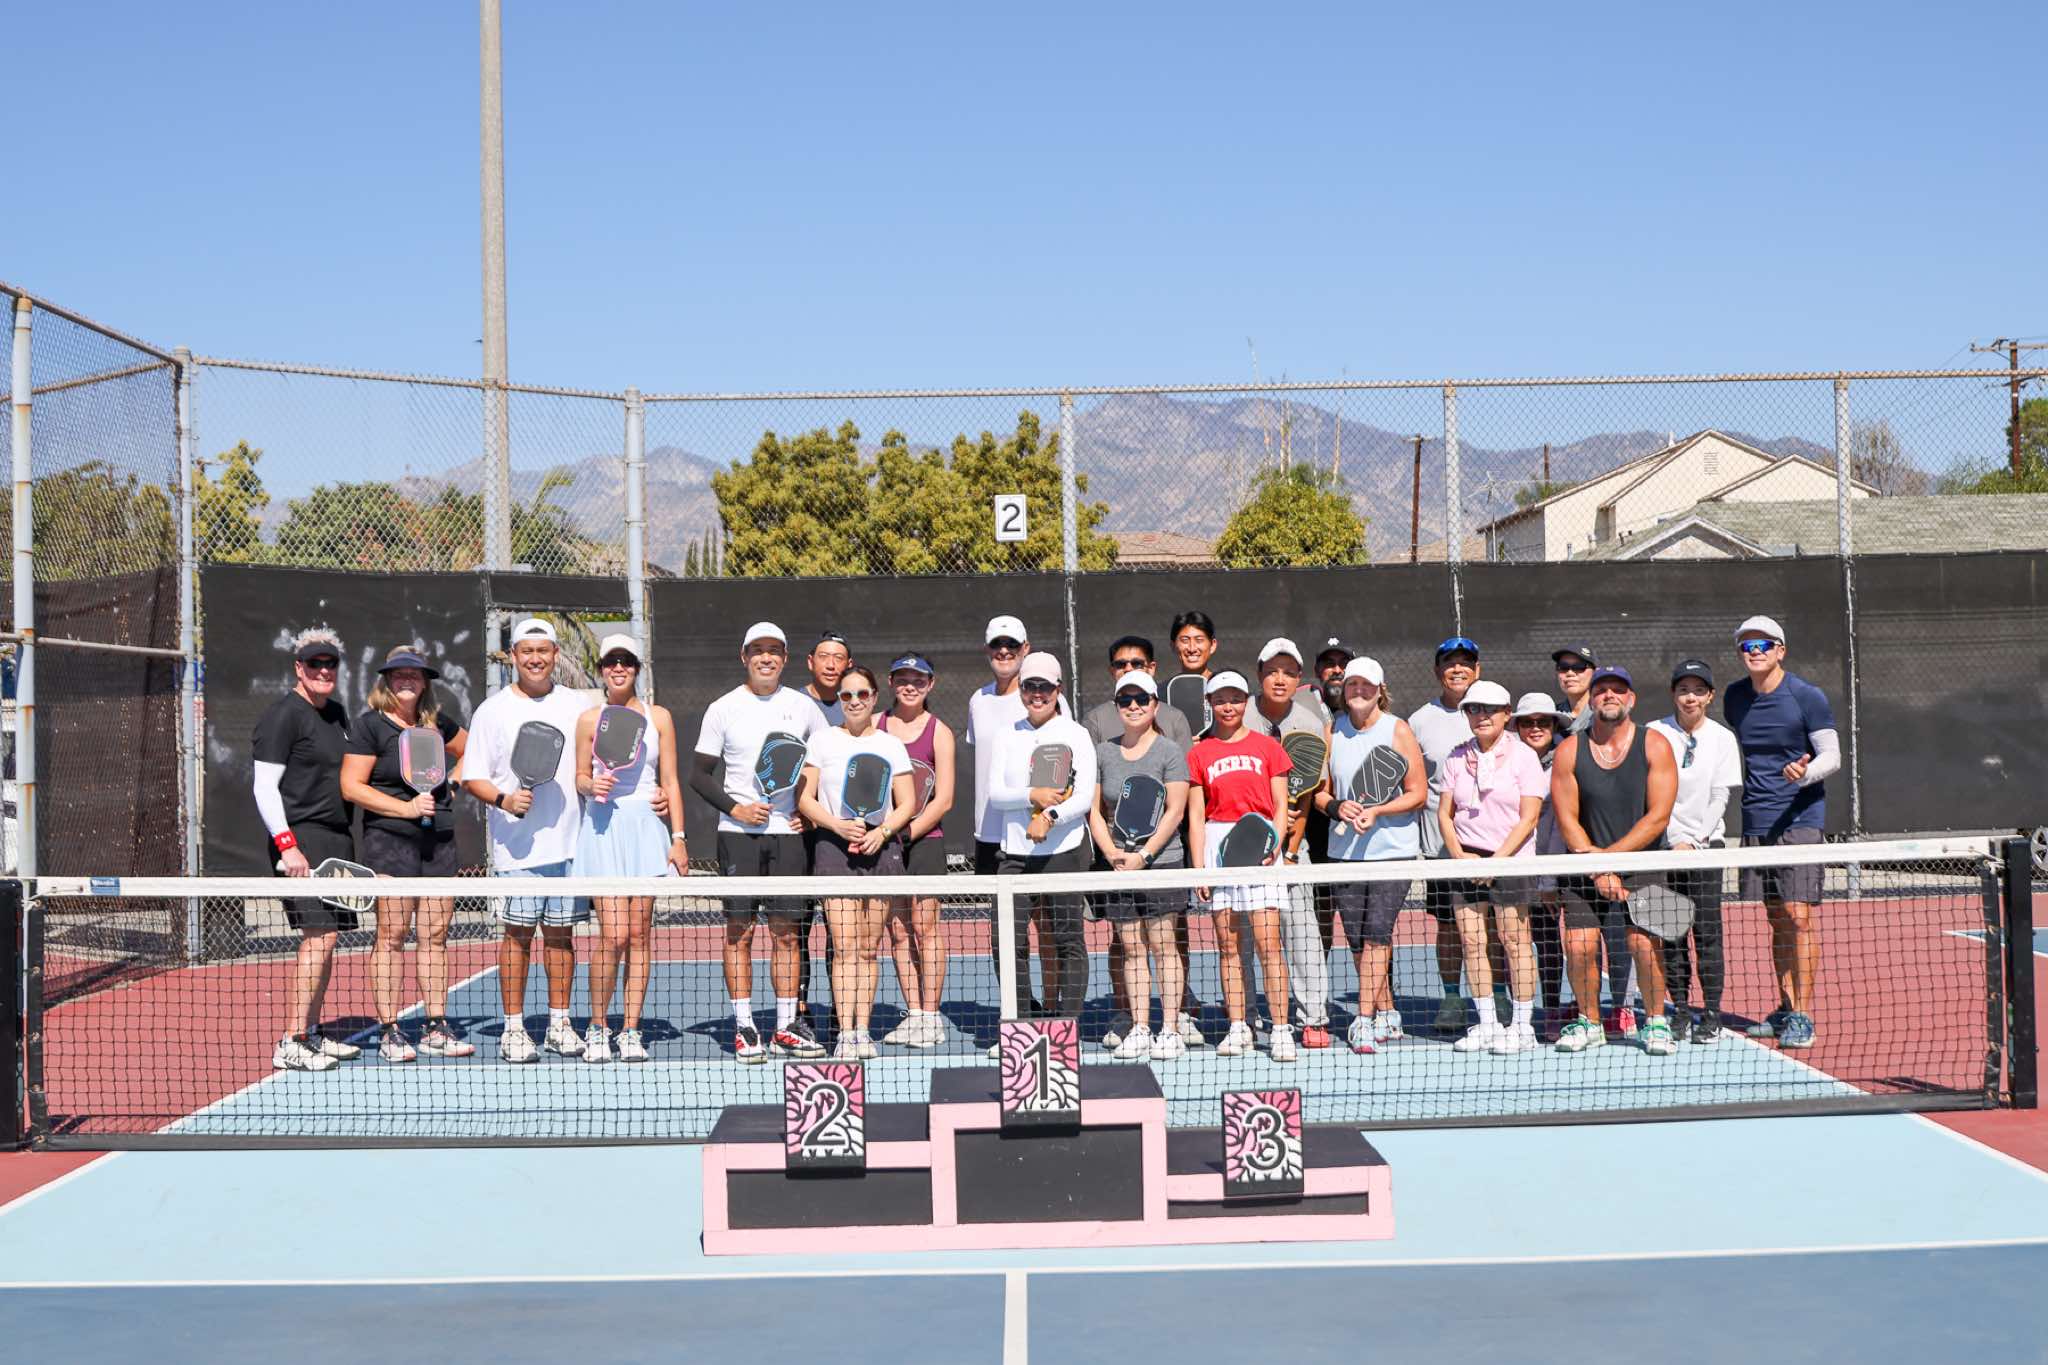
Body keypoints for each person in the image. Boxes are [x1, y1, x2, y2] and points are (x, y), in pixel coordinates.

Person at [460, 618, 597, 1063]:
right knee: (517, 937)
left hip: (570, 846)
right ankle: (514, 1029)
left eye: (543, 651)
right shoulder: (492, 711)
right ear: (513, 657)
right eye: (526, 651)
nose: (535, 659)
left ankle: (560, 1024)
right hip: (516, 851)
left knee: (561, 938)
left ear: (555, 655)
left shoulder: (578, 705)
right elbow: (472, 776)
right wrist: (503, 799)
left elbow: (592, 766)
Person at [690, 621, 828, 1063]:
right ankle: (745, 1026)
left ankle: (786, 1026)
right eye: (757, 650)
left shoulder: (804, 709)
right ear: (744, 657)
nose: (765, 658)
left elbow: (822, 764)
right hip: (738, 837)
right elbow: (698, 776)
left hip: (788, 837)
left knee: (787, 934)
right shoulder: (723, 708)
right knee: (740, 933)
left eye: (773, 651)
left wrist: (809, 809)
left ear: (784, 659)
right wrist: (736, 809)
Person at [340, 646, 473, 1063]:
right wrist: (406, 808)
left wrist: (451, 786)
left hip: (439, 840)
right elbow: (351, 786)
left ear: (425, 681)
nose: (406, 680)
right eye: (398, 673)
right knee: (392, 935)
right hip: (389, 841)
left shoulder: (437, 725)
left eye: (414, 674)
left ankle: (436, 1026)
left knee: (435, 935)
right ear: (387, 680)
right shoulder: (369, 727)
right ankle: (390, 1031)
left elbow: (472, 751)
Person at [1550, 667, 1681, 1056]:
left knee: (1646, 942)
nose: (1610, 695)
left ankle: (1656, 1021)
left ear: (1631, 699)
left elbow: (1658, 818)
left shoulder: (1655, 744)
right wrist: (1598, 869)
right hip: (1583, 865)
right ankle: (1590, 1022)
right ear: (1591, 700)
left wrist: (1609, 861)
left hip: (1645, 863)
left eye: (1618, 690)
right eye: (1602, 690)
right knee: (1578, 945)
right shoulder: (1569, 750)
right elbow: (1567, 820)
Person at [1725, 615, 1839, 1051]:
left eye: (1763, 645)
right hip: (1756, 822)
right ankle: (1787, 1006)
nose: (1754, 652)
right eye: (1747, 646)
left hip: (1800, 819)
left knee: (1799, 916)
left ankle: (1803, 1015)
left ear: (1780, 650)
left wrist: (1805, 773)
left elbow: (1832, 756)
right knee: (1776, 919)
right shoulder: (1735, 698)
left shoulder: (1807, 696)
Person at [573, 634, 688, 1064]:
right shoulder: (589, 720)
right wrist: (592, 786)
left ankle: (631, 1030)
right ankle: (597, 1027)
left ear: (637, 668)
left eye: (626, 661)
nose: (618, 668)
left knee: (640, 935)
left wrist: (679, 837)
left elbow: (670, 780)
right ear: (602, 669)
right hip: (603, 829)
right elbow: (579, 777)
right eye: (610, 662)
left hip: (645, 829)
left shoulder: (659, 717)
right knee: (613, 935)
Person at [254, 629, 364, 1072]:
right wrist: (288, 846)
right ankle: (292, 1040)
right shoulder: (283, 715)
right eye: (314, 663)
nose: (323, 670)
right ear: (298, 668)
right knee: (318, 937)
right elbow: (264, 787)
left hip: (337, 838)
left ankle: (313, 1032)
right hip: (301, 840)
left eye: (330, 663)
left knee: (329, 938)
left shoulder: (336, 713)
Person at [797, 664, 918, 1061]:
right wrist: (836, 825)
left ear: (874, 698)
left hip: (879, 849)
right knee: (844, 947)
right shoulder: (822, 741)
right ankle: (844, 1034)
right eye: (846, 695)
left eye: (861, 694)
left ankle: (862, 1031)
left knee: (868, 949)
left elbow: (908, 803)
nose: (853, 702)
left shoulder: (890, 745)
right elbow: (805, 798)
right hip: (834, 849)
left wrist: (882, 832)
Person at [1082, 635, 1191, 1051]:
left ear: (1154, 705)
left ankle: (1170, 1030)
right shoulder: (1102, 753)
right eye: (1125, 700)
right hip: (1119, 866)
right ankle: (1141, 1028)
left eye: (1141, 699)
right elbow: (1095, 811)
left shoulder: (1169, 752)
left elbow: (1175, 811)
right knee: (1130, 948)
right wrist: (1112, 853)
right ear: (1117, 706)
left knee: (1164, 946)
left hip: (1161, 863)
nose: (1133, 706)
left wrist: (1144, 855)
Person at [1313, 657, 1426, 1054]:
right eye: (1352, 684)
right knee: (1358, 939)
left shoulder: (1398, 729)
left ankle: (1362, 1019)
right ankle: (1387, 1009)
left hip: (1392, 852)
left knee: (1378, 932)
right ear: (1344, 689)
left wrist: (1378, 811)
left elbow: (1417, 793)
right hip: (1344, 854)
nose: (1359, 691)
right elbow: (1320, 792)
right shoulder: (1332, 730)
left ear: (1380, 690)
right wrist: (1337, 806)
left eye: (1367, 685)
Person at [1186, 670, 1296, 1062]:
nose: (1228, 706)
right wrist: (1200, 868)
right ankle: (1238, 1027)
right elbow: (1196, 815)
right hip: (1219, 847)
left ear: (1245, 701)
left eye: (1234, 698)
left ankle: (1280, 1030)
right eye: (1220, 699)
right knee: (1228, 945)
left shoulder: (1268, 747)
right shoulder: (1198, 753)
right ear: (1210, 704)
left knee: (1269, 944)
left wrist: (1274, 844)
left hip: (1261, 843)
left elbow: (1281, 805)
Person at [986, 653, 1099, 1030]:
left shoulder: (1076, 734)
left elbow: (1083, 797)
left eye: (1045, 687)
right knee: (1006, 942)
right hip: (1014, 857)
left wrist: (1050, 816)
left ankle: (1066, 1026)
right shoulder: (1006, 735)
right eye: (1030, 686)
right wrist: (1032, 795)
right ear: (1021, 689)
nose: (1037, 694)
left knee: (1068, 939)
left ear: (1058, 689)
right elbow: (996, 795)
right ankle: (1022, 1023)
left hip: (1063, 853)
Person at [1435, 680, 1547, 1054]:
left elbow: (1529, 818)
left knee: (1515, 942)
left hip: (1511, 860)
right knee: (1472, 942)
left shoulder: (1524, 757)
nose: (1480, 716)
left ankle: (1522, 1028)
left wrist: (1497, 862)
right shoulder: (1456, 758)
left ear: (1506, 714)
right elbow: (1445, 814)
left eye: (1488, 709)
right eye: (1473, 709)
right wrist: (1459, 856)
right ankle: (1487, 1024)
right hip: (1466, 860)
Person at [966, 614, 1067, 1015]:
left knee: (1047, 928)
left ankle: (1053, 1013)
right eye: (997, 645)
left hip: (1039, 834)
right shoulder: (977, 700)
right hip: (991, 835)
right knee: (1005, 935)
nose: (1004, 651)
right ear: (987, 650)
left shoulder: (1047, 700)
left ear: (1026, 649)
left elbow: (1064, 766)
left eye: (1012, 645)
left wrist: (1044, 816)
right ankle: (1020, 1012)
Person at [1648, 658, 1741, 1044]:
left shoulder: (1722, 738)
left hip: (1706, 850)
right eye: (1684, 690)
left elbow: (1720, 796)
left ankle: (1712, 1014)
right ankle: (1681, 1011)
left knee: (1707, 934)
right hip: (1664, 848)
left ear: (1710, 696)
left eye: (1698, 691)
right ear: (1673, 694)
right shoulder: (1653, 733)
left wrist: (1697, 840)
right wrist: (1673, 840)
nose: (1691, 697)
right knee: (1670, 934)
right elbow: (1652, 795)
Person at [1249, 638, 1332, 1048]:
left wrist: (1291, 850)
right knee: (1243, 936)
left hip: (1292, 849)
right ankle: (1244, 1017)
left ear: (1299, 678)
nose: (1279, 679)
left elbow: (1306, 797)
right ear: (1259, 674)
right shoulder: (1239, 714)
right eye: (1272, 671)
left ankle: (1313, 1016)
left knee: (1302, 932)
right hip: (1242, 848)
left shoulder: (1310, 723)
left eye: (1288, 672)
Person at [880, 652, 956, 1050]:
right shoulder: (874, 726)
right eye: (903, 679)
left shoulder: (939, 732)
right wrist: (885, 832)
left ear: (931, 684)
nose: (910, 686)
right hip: (884, 842)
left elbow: (943, 799)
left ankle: (931, 1015)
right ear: (891, 683)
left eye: (919, 680)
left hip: (924, 842)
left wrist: (905, 833)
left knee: (926, 929)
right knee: (897, 930)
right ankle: (913, 1014)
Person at [1408, 636, 1479, 1034]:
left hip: (1492, 848)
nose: (1457, 669)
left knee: (1493, 928)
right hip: (1440, 850)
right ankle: (1452, 1000)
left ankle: (1497, 998)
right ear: (1437, 671)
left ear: (1477, 670)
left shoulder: (1495, 710)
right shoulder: (1419, 721)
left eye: (1465, 662)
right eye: (1450, 662)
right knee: (1450, 927)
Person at [794, 630, 852, 1032]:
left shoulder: (857, 705)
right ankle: (799, 1009)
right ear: (810, 661)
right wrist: (797, 809)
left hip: (840, 839)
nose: (831, 664)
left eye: (839, 657)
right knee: (799, 926)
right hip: (800, 836)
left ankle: (839, 1009)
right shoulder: (792, 705)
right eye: (824, 656)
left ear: (848, 665)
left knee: (840, 930)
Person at [1511, 691, 1573, 1037]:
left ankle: (1553, 1011)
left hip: (1556, 869)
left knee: (1552, 944)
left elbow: (1559, 825)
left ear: (1553, 725)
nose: (1535, 728)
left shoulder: (1566, 761)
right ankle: (1515, 1014)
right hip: (1513, 870)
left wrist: (1548, 881)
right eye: (1527, 722)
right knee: (1511, 942)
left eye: (1543, 722)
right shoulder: (1506, 761)